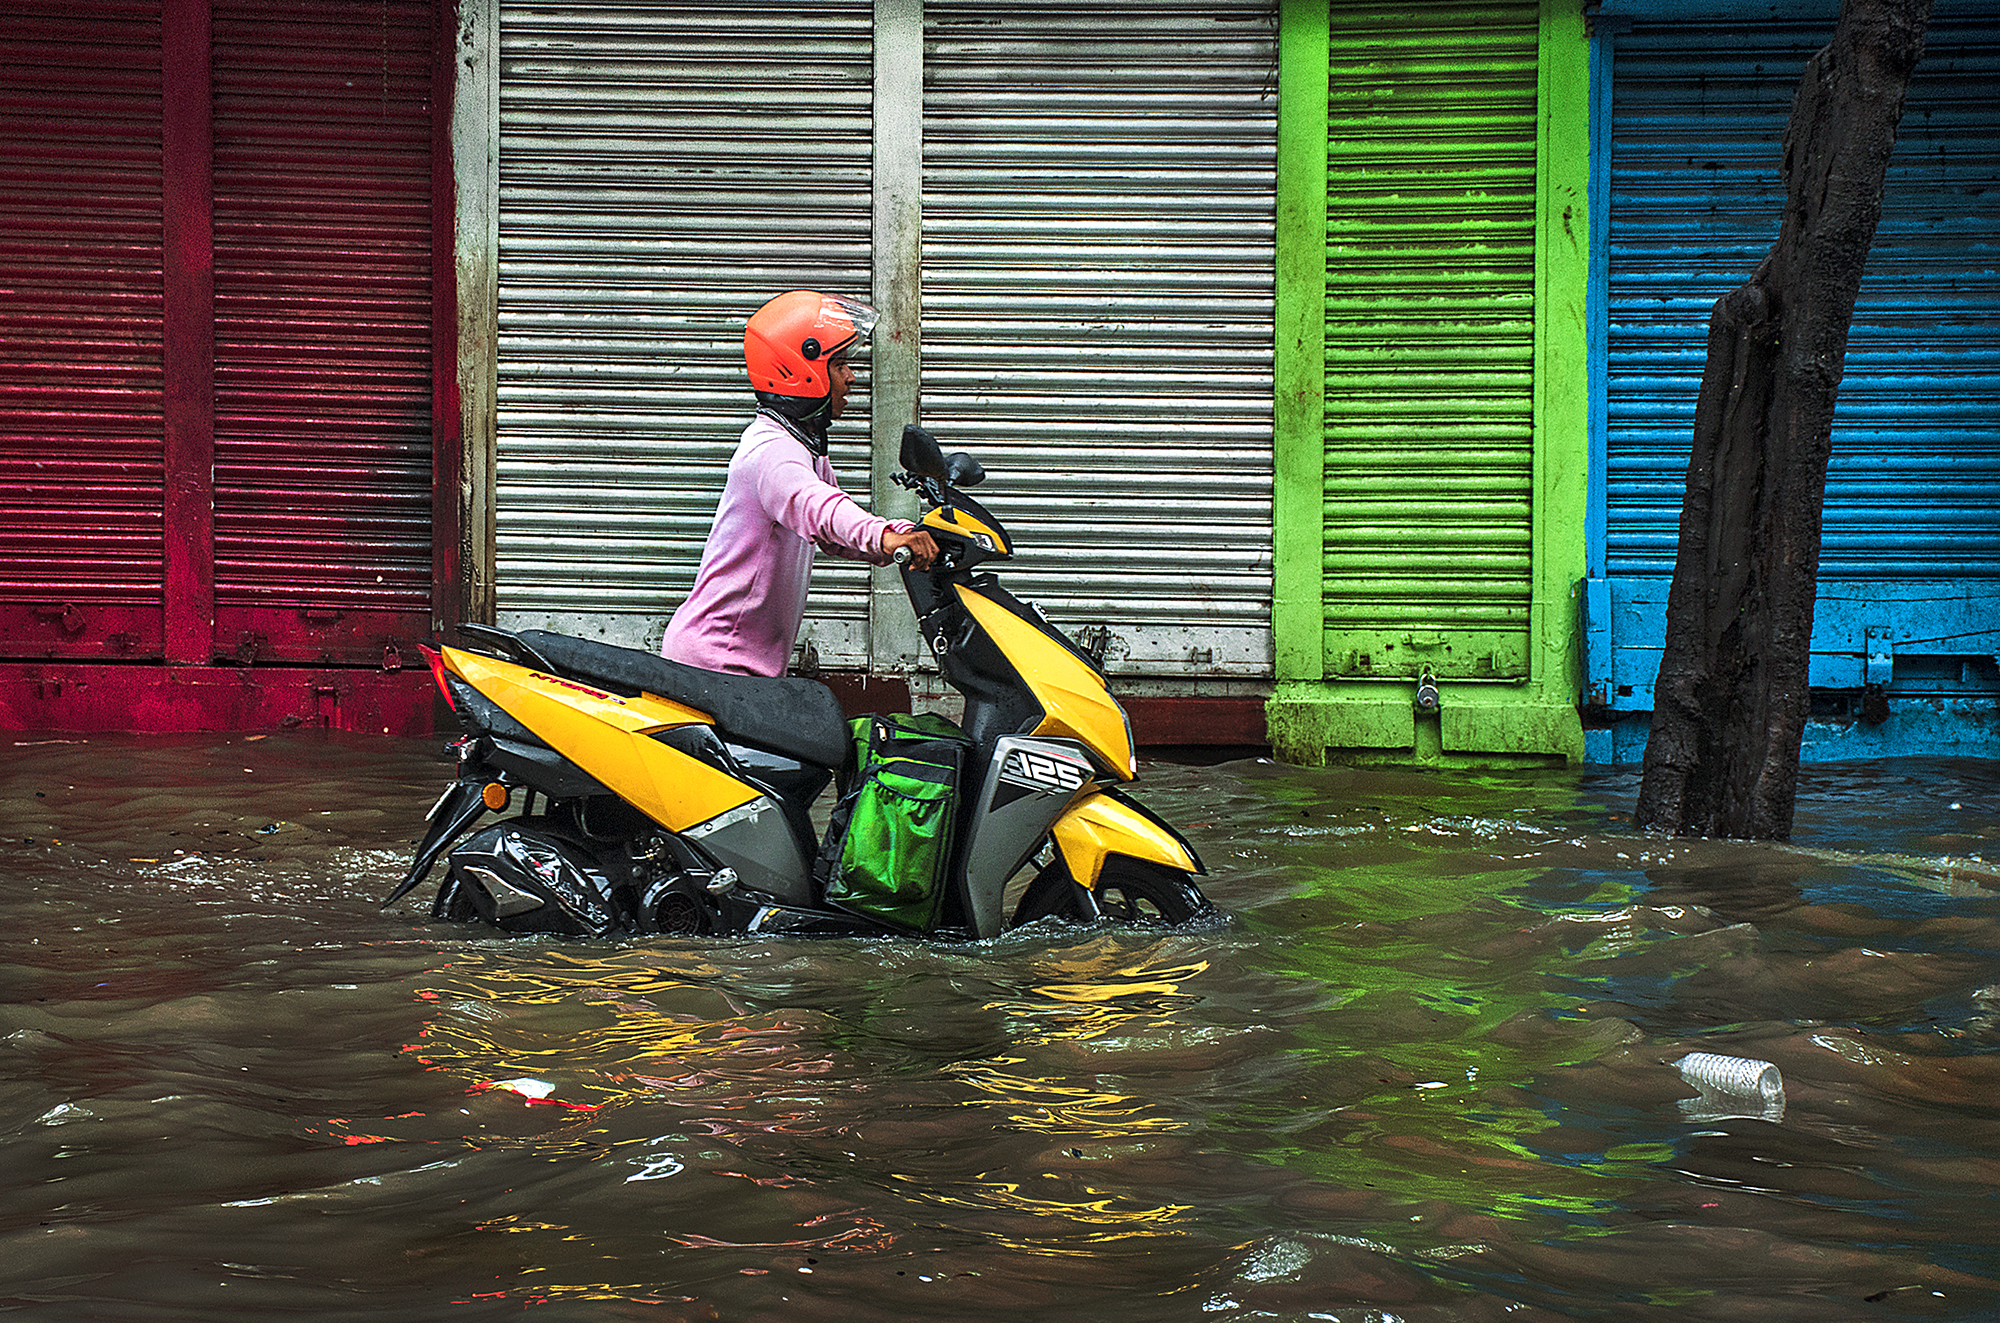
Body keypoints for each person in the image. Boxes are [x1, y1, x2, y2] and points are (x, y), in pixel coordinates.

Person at [659, 290, 939, 677]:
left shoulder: (803, 446)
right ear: (800, 371)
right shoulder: (772, 450)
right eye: (839, 364)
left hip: (739, 664)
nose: (851, 378)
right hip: (717, 663)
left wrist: (902, 537)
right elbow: (816, 506)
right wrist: (887, 535)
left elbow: (832, 532)